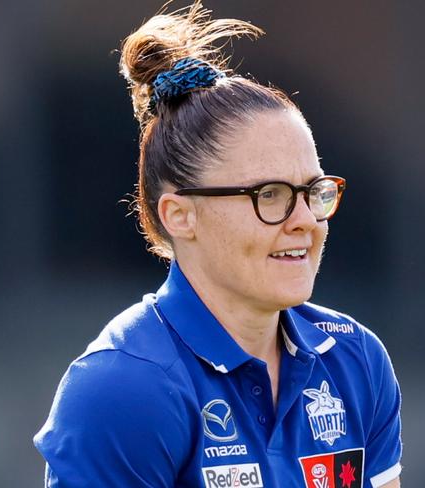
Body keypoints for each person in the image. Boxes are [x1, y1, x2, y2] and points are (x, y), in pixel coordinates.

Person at [33, 2, 403, 487]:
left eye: (313, 192)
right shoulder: (121, 389)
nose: (304, 221)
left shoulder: (356, 360)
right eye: (269, 195)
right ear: (180, 216)